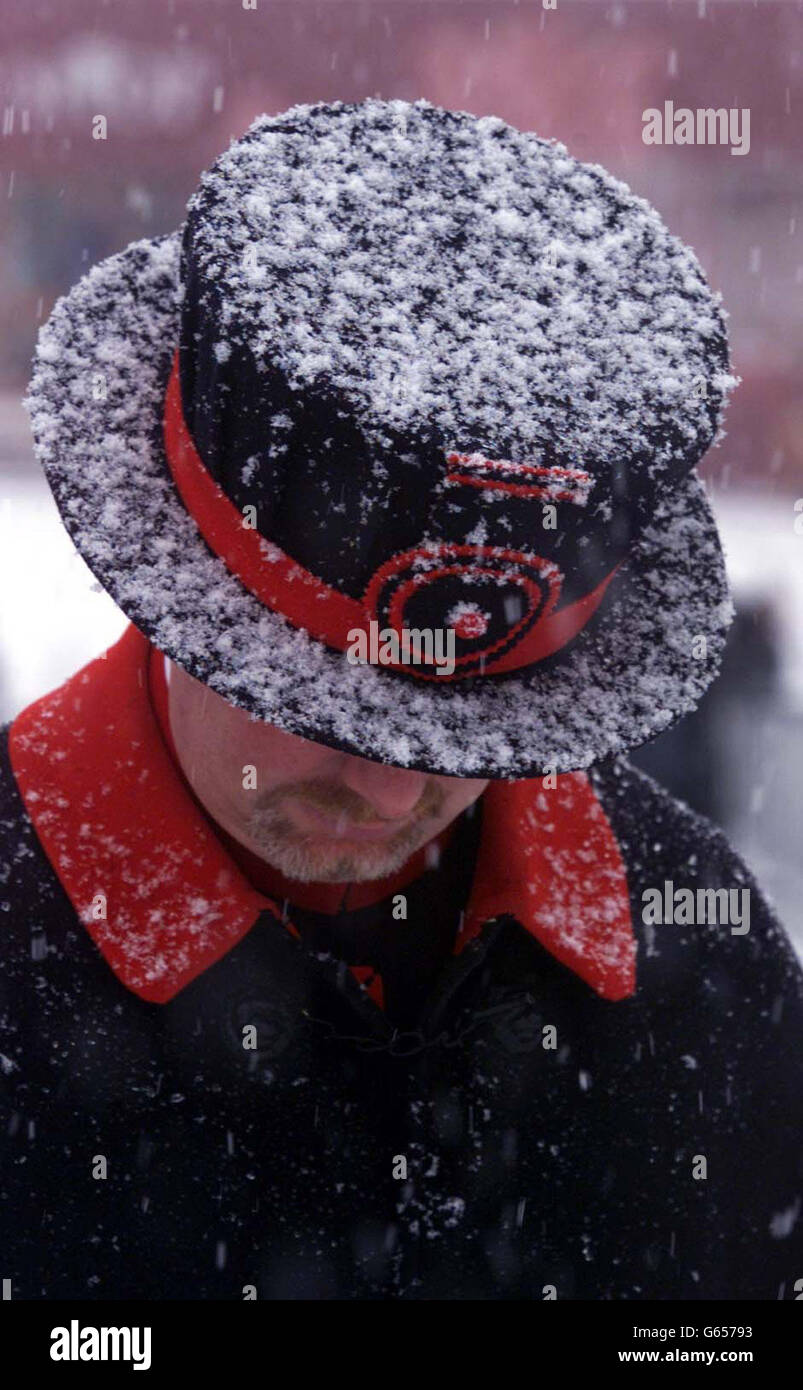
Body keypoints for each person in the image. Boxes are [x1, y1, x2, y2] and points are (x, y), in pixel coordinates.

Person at [2, 99, 801, 1301]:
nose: (387, 783)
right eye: (322, 710)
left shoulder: (702, 967)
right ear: (187, 596)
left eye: (474, 729)